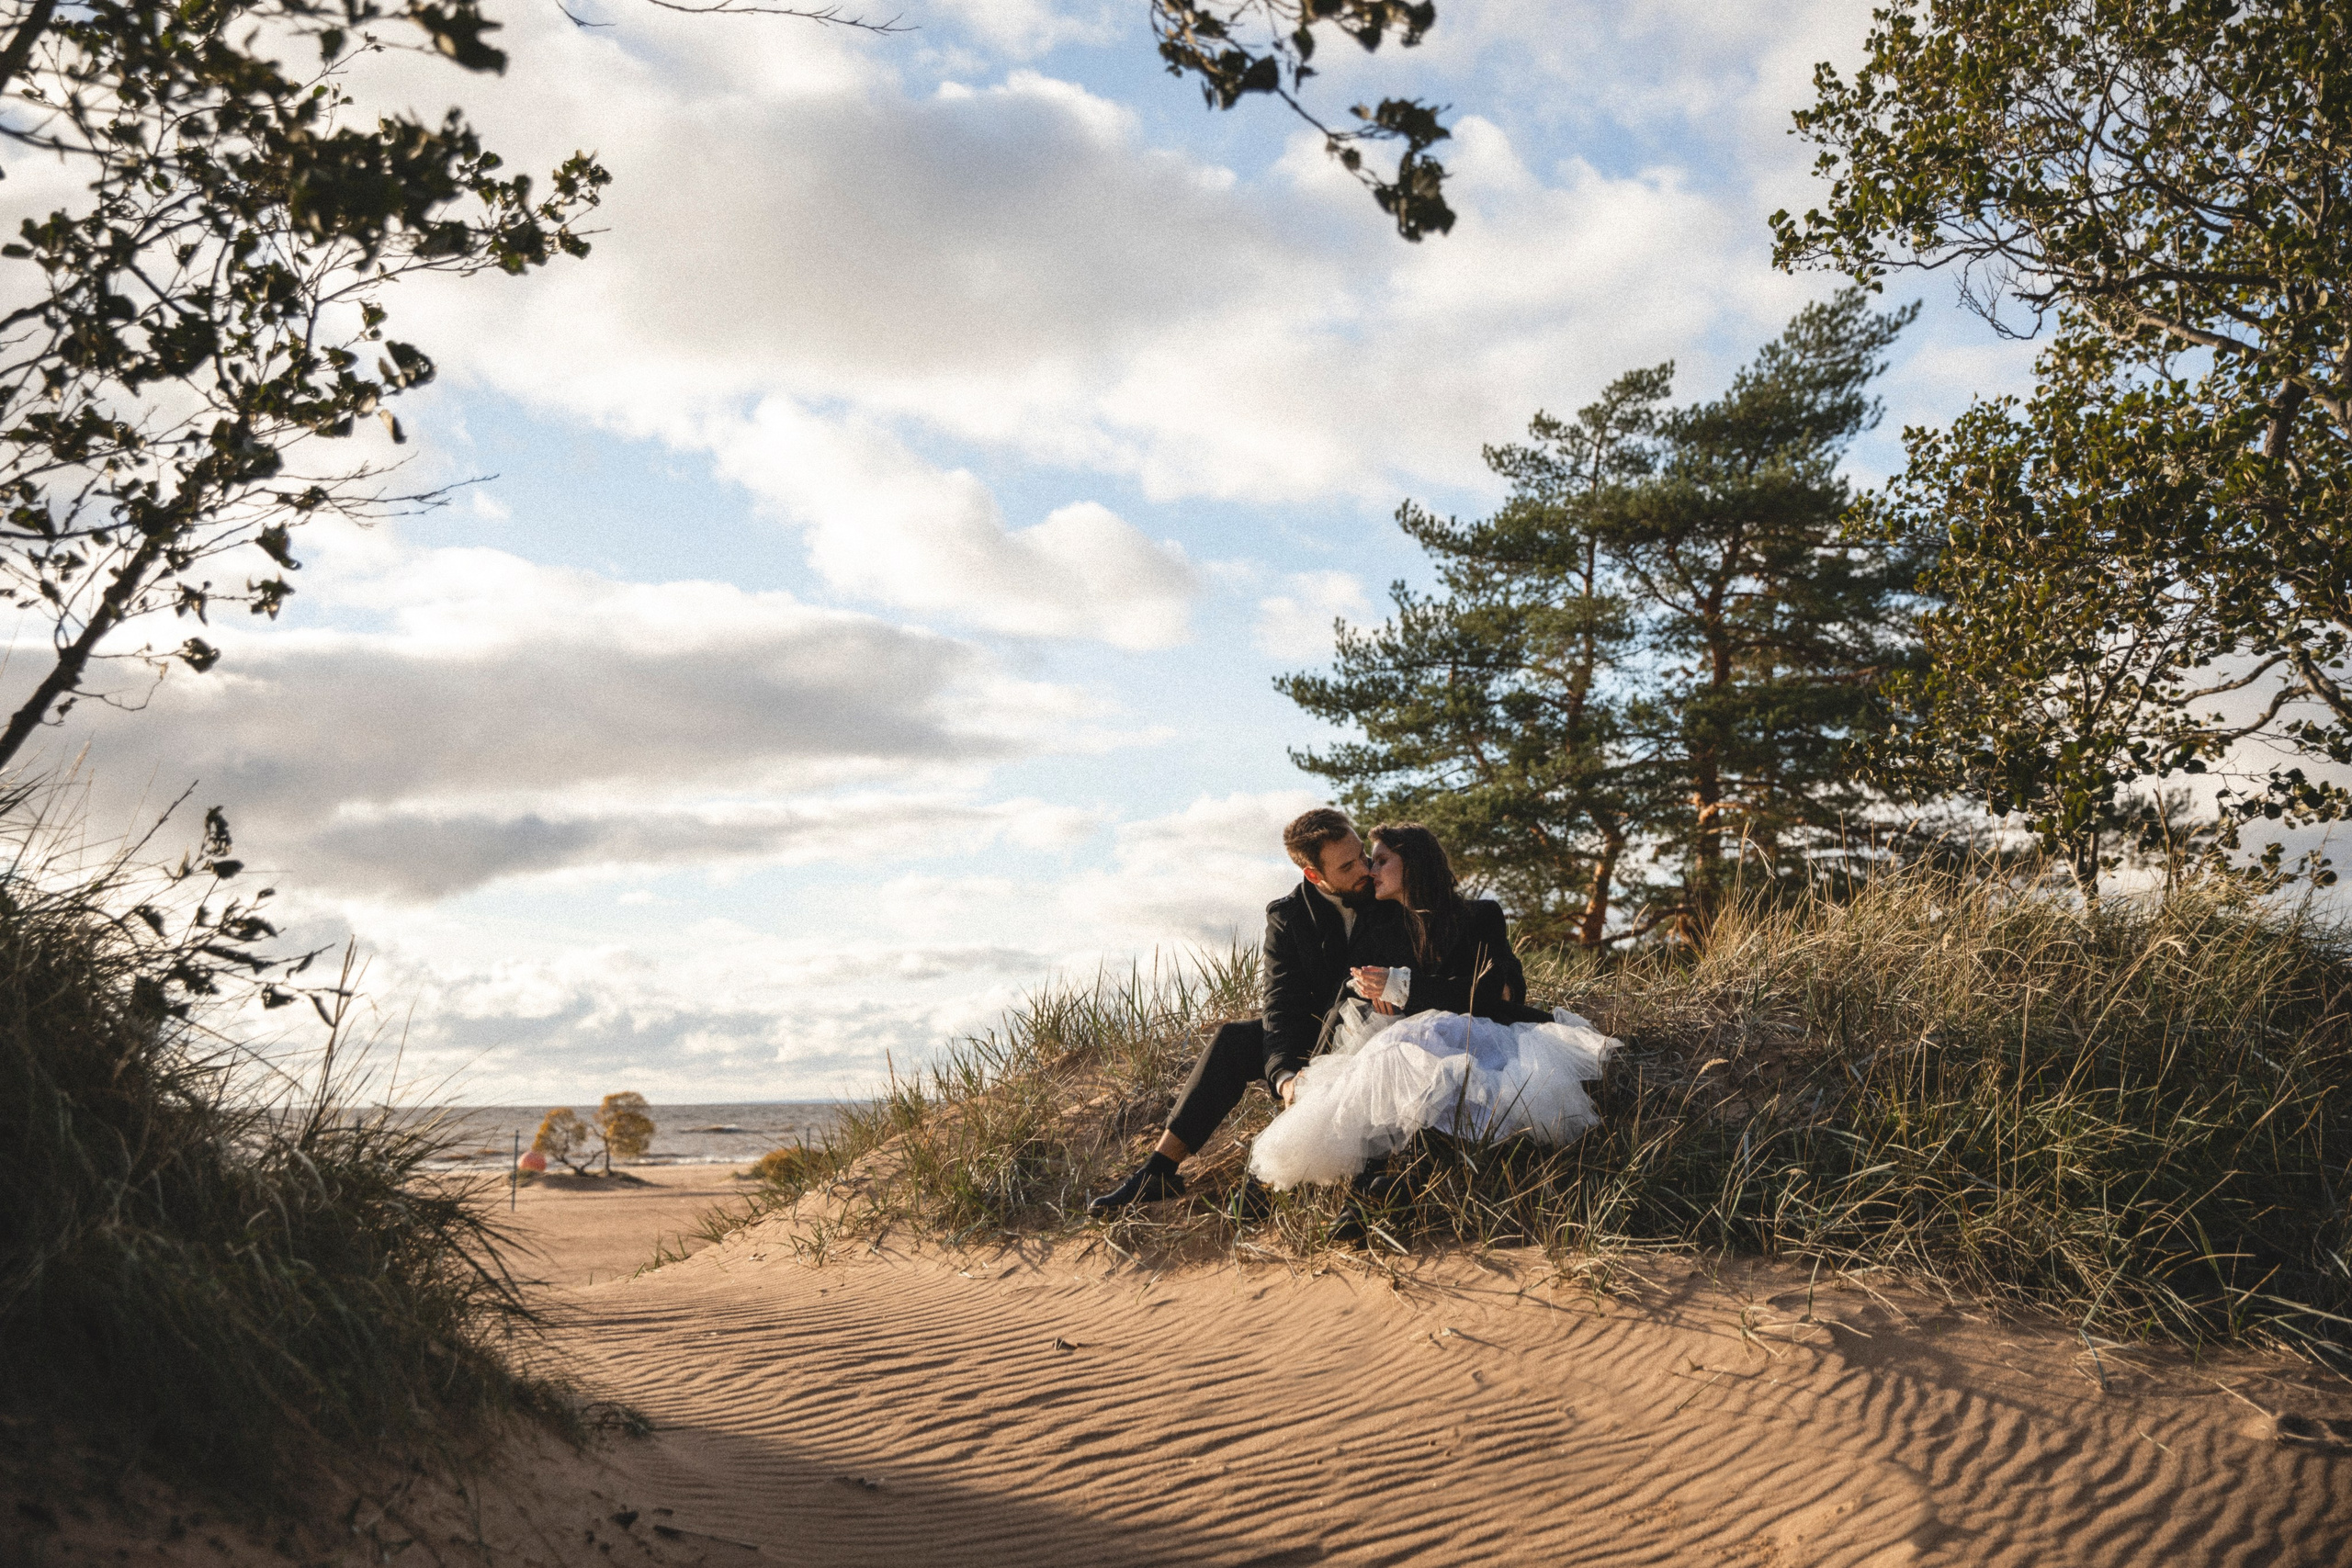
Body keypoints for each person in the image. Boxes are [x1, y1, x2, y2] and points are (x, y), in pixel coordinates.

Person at [1247, 822, 1616, 1190]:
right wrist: (1332, 1044)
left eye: (1381, 860)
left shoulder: (1480, 915)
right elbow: (1346, 999)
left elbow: (1493, 994)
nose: (1370, 871)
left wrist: (1404, 987)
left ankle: (1391, 1182)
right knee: (1387, 1054)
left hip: (1484, 1043)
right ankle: (1365, 1190)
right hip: (1410, 1053)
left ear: (1413, 862)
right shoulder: (1377, 930)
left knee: (1405, 1042)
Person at [1088, 807, 1412, 1215]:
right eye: (1347, 866)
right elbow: (1280, 1006)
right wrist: (1285, 1076)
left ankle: (1333, 1186)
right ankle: (1158, 1171)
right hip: (1313, 1034)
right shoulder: (1288, 915)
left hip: (1376, 1034)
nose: (1365, 868)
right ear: (1314, 875)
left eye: (1362, 854)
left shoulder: (1388, 895)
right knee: (1234, 1040)